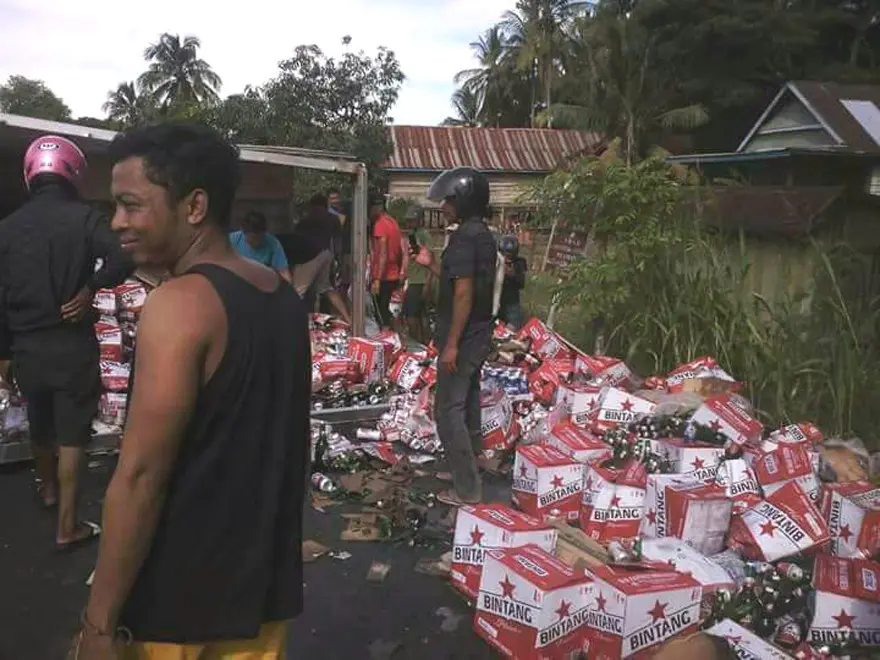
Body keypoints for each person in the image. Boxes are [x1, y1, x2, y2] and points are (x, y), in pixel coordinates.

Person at [71, 124, 310, 659]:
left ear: (194, 205)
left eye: (131, 205)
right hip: (259, 605)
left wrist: (99, 625)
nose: (117, 223)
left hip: (178, 616)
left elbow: (139, 476)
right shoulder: (283, 300)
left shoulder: (180, 305)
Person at [0, 134, 133, 551]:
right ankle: (68, 526)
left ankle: (49, 490)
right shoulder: (86, 218)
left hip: (25, 347)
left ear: (30, 173)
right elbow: (124, 256)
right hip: (71, 344)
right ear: (73, 171)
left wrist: (3, 352)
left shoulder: (7, 228)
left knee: (40, 424)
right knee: (72, 434)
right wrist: (92, 287)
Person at [416, 167, 497, 506]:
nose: (444, 206)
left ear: (463, 200)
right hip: (478, 333)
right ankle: (470, 463)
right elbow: (462, 282)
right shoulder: (481, 234)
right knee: (469, 402)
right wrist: (432, 265)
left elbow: (463, 294)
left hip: (463, 338)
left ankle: (466, 489)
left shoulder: (464, 237)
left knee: (447, 410)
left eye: (449, 199)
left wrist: (451, 345)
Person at [292, 193, 352, 325]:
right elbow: (337, 242)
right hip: (326, 254)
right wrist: (339, 259)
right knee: (326, 288)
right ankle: (349, 320)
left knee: (297, 292)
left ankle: (294, 323)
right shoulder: (333, 220)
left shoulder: (306, 222)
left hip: (309, 256)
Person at [229, 210, 292, 282]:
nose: (256, 242)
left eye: (260, 238)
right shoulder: (233, 239)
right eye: (253, 238)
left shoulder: (273, 243)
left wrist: (290, 288)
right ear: (243, 232)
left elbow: (283, 271)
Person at [370, 194, 403, 330]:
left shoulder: (380, 224)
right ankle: (399, 336)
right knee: (386, 312)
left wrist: (377, 279)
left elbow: (382, 253)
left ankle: (387, 341)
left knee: (381, 314)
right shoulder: (393, 223)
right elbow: (400, 250)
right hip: (394, 274)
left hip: (383, 276)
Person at [401, 207, 432, 344]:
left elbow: (430, 259)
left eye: (413, 221)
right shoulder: (411, 235)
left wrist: (428, 282)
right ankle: (423, 342)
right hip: (413, 279)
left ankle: (419, 343)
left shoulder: (424, 235)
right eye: (409, 221)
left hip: (420, 281)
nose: (410, 223)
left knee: (412, 316)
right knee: (419, 315)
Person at [498, 235, 527, 329]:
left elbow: (521, 284)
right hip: (495, 300)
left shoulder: (519, 263)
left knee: (512, 328)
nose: (507, 258)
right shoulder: (495, 261)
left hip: (511, 302)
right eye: (505, 255)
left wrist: (513, 275)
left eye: (510, 256)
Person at [327, 187, 352, 293]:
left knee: (345, 278)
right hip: (332, 250)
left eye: (337, 198)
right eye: (332, 198)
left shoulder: (344, 212)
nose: (335, 201)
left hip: (345, 249)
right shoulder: (328, 214)